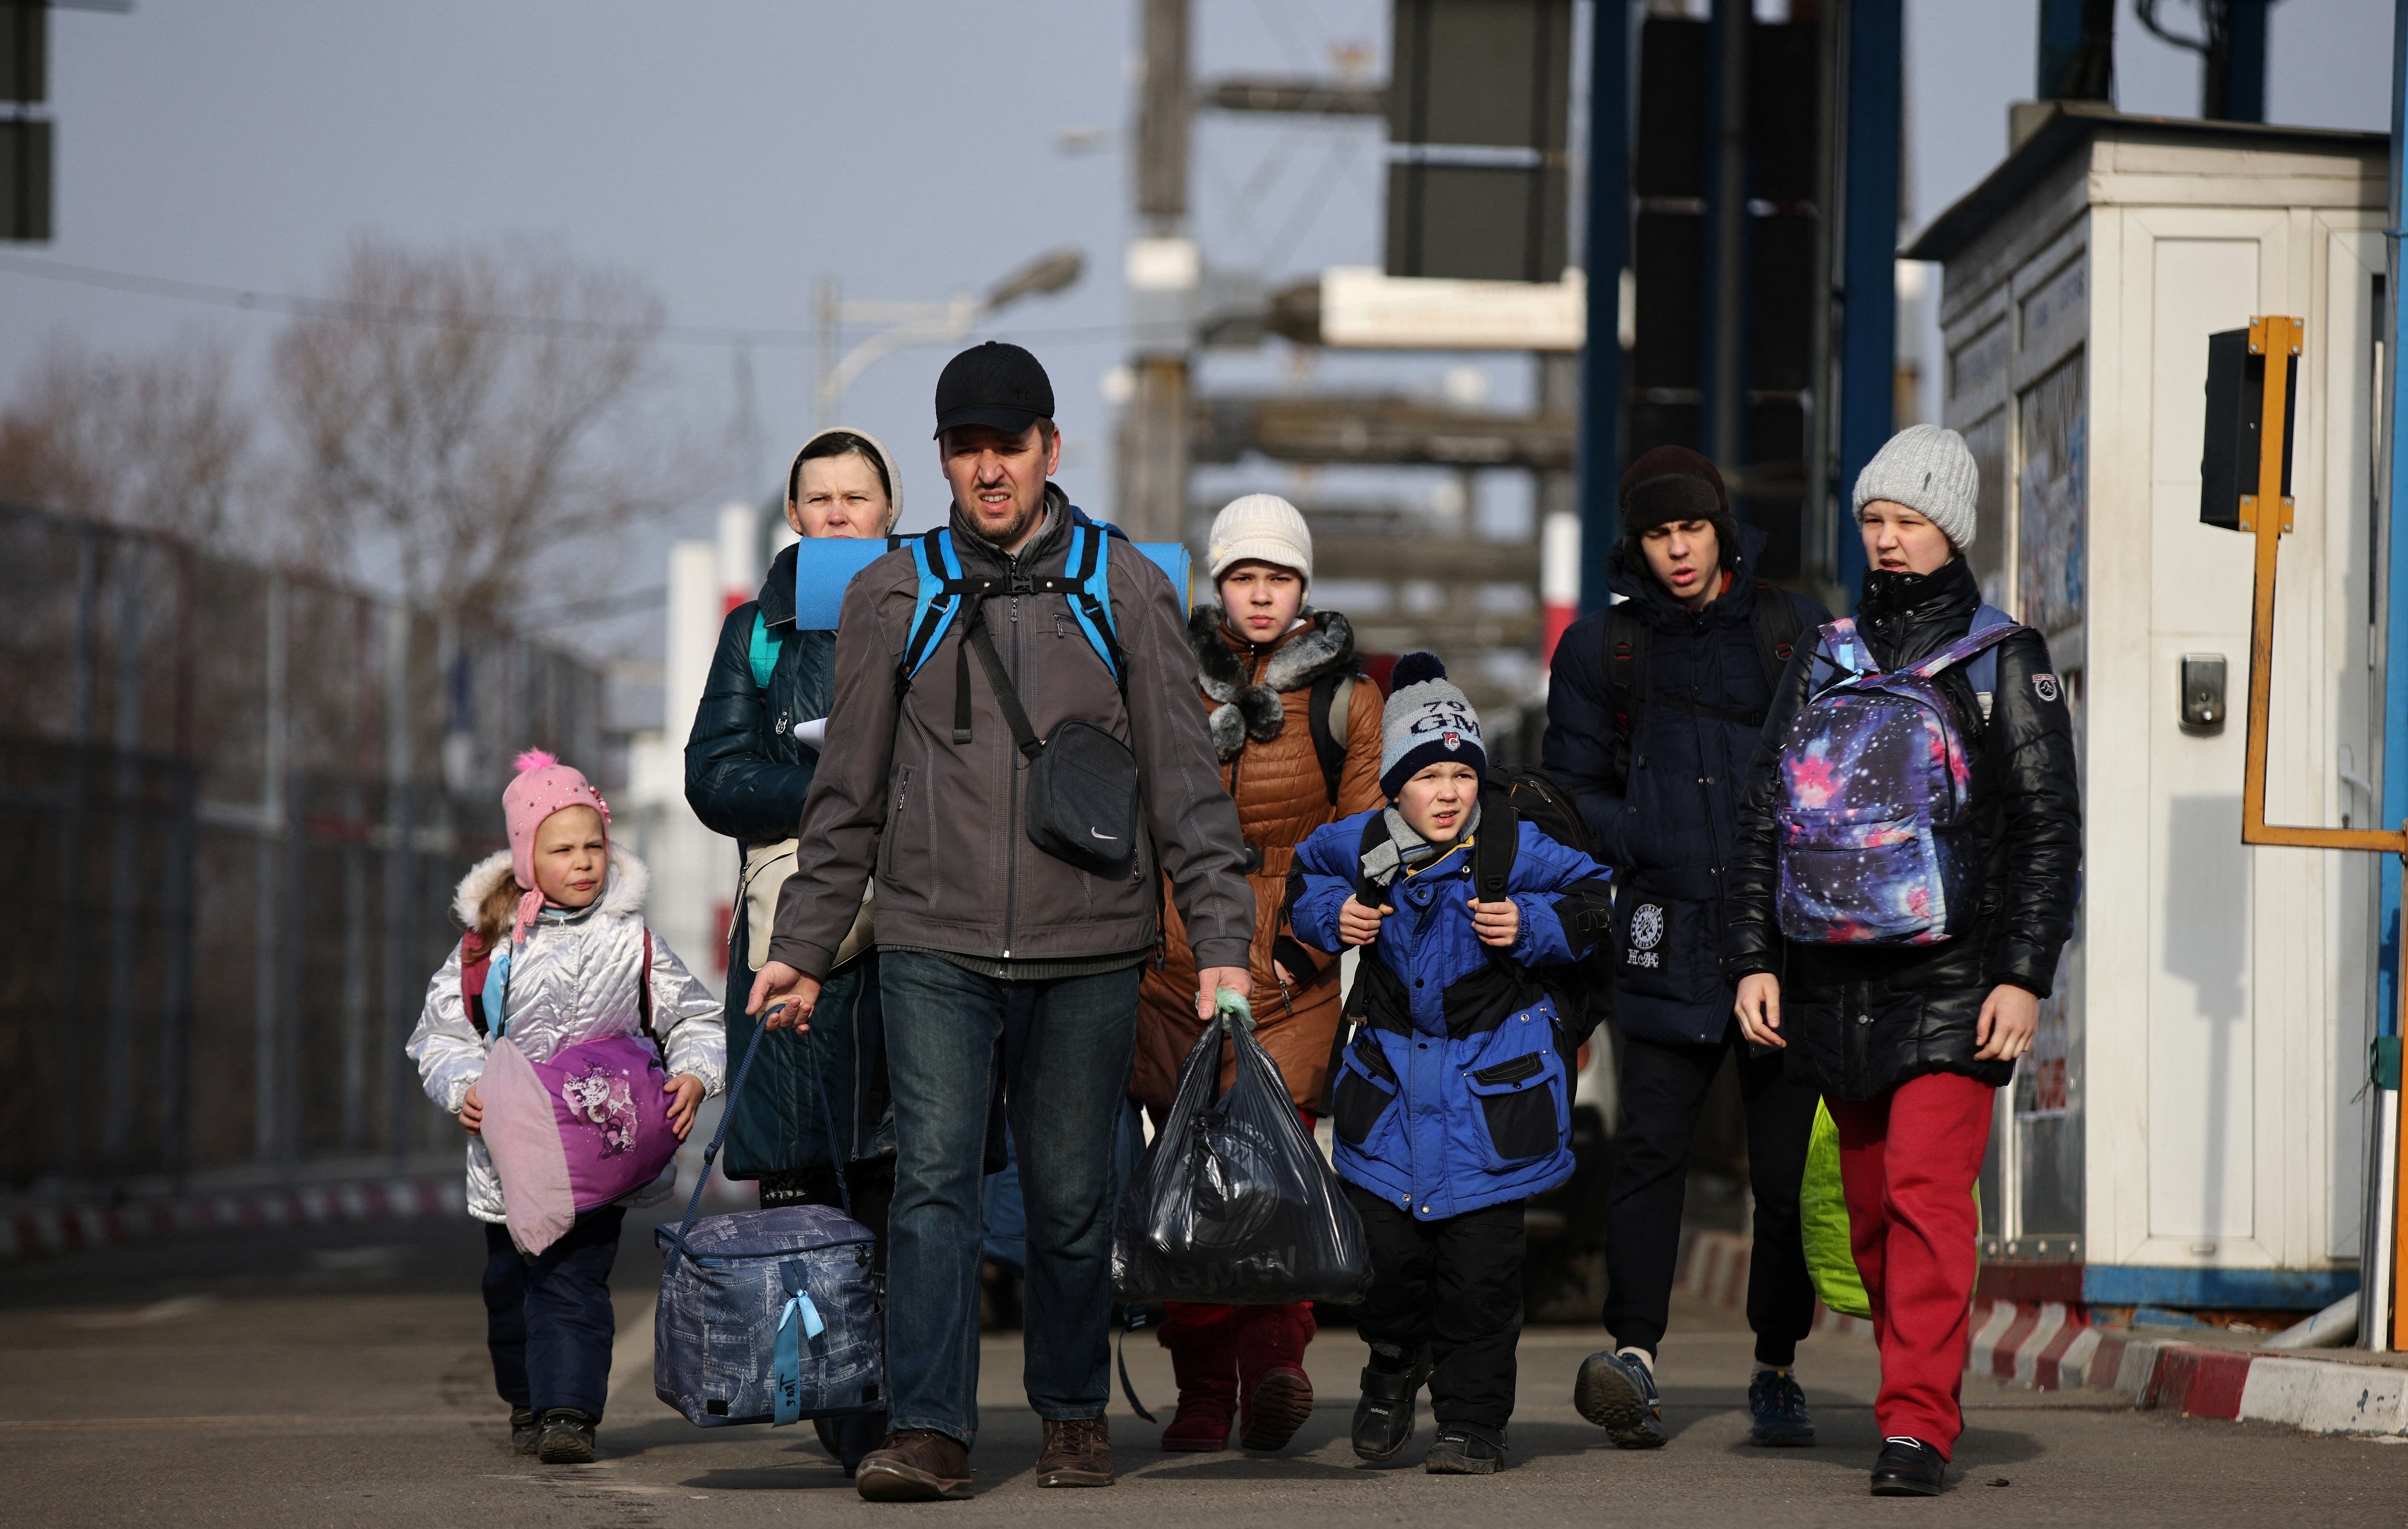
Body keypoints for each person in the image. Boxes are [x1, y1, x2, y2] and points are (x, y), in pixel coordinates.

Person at [746, 341, 1254, 1501]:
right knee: (934, 1183)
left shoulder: (1122, 585)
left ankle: (1074, 1412)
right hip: (935, 940)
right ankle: (930, 1427)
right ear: (941, 460)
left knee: (1074, 1192)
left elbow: (1185, 783)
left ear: (1050, 450)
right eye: (966, 449)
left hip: (1092, 947)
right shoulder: (893, 589)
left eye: (1008, 447)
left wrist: (1221, 943)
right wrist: (803, 948)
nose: (989, 470)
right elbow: (849, 795)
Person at [1725, 423, 2079, 1496]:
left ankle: (1917, 1422)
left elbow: (2047, 828)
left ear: (1950, 531)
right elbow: (1763, 818)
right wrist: (1755, 955)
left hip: (1953, 981)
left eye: (1907, 522)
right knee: (1872, 1218)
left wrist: (2023, 975)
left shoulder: (2002, 657)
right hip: (1832, 981)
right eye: (1874, 520)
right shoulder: (1824, 655)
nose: (1885, 539)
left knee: (1929, 1202)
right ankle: (1917, 1382)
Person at [1541, 445, 1833, 1450]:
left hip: (1781, 936)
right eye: (1660, 535)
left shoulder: (1793, 631)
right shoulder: (1600, 652)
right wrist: (1648, 841)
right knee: (1649, 1153)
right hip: (1661, 930)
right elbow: (1569, 792)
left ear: (1722, 530)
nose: (1677, 551)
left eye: (1692, 531)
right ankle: (1636, 1358)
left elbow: (1837, 772)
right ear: (1639, 543)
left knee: (1785, 1172)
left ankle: (1778, 1360)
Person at [1288, 654, 1614, 1476]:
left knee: (1481, 1283)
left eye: (1460, 774)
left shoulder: (1512, 845)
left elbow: (1598, 901)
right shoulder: (1360, 844)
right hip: (1390, 1099)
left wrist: (1529, 923)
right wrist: (1341, 916)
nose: (1446, 792)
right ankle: (1394, 1365)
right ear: (1394, 786)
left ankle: (1473, 1422)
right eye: (1426, 775)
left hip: (1491, 1104)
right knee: (1389, 1266)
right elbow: (1302, 879)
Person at [1130, 492, 1383, 1454]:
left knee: (1273, 1181)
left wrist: (1294, 951)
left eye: (1279, 577)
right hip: (1172, 973)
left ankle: (1274, 1364)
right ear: (1219, 585)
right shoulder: (1163, 683)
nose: (1261, 595)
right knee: (1186, 1191)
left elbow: (1363, 849)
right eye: (1244, 576)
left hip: (1289, 979)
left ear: (1304, 588)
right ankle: (1202, 1395)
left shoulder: (1349, 701)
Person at [684, 425, 906, 1473]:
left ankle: (900, 1407)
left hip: (915, 939)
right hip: (795, 942)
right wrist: (833, 791)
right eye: (817, 497)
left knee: (907, 1189)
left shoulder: (932, 611)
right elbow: (715, 776)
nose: (835, 513)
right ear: (794, 513)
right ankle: (850, 1416)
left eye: (855, 497)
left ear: (888, 510)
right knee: (810, 1199)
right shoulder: (756, 633)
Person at [406, 750, 725, 1465]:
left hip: (598, 1157)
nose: (583, 862)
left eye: (594, 845)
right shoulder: (486, 948)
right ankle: (528, 1399)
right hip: (510, 1163)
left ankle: (569, 1413)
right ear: (526, 858)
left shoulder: (633, 941)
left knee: (575, 1283)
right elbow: (441, 1035)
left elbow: (696, 1020)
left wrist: (697, 1076)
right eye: (562, 848)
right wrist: (465, 1086)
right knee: (510, 1292)